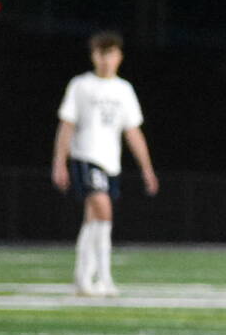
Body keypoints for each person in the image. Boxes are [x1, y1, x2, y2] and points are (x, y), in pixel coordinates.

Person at [51, 31, 158, 297]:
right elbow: (67, 125)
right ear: (93, 56)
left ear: (119, 56)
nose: (105, 59)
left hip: (112, 164)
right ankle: (105, 277)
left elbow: (132, 131)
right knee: (104, 210)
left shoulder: (124, 90)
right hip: (86, 157)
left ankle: (82, 277)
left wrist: (147, 168)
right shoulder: (81, 85)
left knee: (93, 219)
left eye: (110, 54)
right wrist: (59, 162)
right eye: (101, 53)